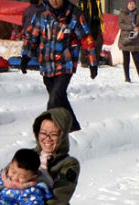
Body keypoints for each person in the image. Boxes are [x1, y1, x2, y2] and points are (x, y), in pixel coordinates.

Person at [21, 0, 98, 132]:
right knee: (60, 98)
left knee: (54, 100)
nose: (55, 1)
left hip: (65, 63)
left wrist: (92, 62)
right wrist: (25, 57)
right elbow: (31, 36)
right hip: (46, 64)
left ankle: (47, 132)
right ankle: (74, 128)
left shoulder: (74, 14)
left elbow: (86, 38)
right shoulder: (41, 14)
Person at [118, 0, 139, 84]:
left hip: (135, 39)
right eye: (130, 4)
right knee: (126, 59)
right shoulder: (122, 13)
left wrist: (138, 29)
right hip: (125, 39)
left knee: (137, 59)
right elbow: (120, 24)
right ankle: (127, 78)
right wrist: (131, 27)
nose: (131, 6)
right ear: (127, 4)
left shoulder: (138, 14)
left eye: (133, 4)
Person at [78, 0, 103, 67]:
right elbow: (80, 12)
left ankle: (95, 60)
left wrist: (100, 22)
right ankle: (84, 62)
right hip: (86, 23)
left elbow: (100, 12)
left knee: (99, 41)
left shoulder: (98, 1)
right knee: (86, 41)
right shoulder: (83, 1)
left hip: (96, 23)